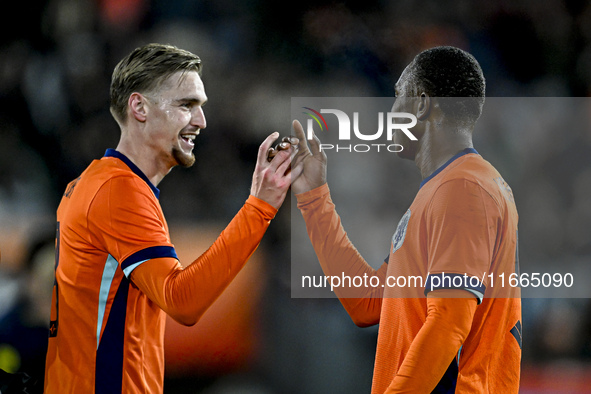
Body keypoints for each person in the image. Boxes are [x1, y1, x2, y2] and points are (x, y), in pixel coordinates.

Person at [44, 43, 300, 393]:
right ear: (139, 107)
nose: (201, 121)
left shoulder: (91, 183)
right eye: (186, 105)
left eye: (201, 106)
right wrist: (259, 207)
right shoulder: (119, 191)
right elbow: (184, 301)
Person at [291, 46, 521, 393]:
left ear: (422, 103)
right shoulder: (447, 189)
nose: (391, 109)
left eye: (398, 95)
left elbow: (448, 323)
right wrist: (314, 196)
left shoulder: (463, 189)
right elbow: (366, 302)